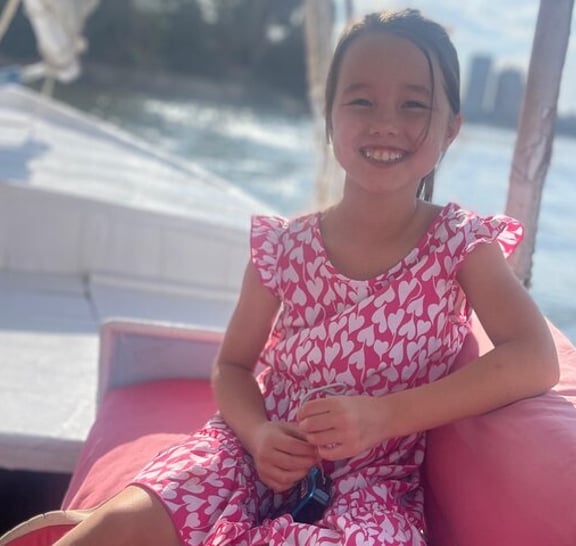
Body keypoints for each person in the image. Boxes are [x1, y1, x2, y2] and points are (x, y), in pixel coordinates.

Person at [1, 8, 559, 546]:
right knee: (125, 524)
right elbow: (232, 367)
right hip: (252, 453)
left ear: (451, 128)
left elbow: (534, 358)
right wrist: (259, 433)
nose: (385, 122)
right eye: (360, 100)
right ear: (330, 119)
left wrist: (385, 415)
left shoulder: (460, 245)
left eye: (414, 104)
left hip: (373, 486)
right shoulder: (284, 247)